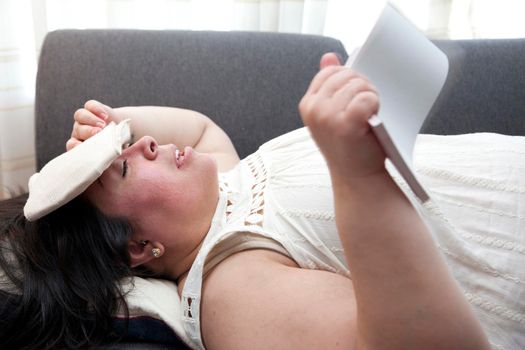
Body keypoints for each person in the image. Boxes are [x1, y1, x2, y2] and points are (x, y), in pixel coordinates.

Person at [0, 52, 515, 350]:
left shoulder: (227, 183)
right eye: (126, 166)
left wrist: (112, 122)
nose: (146, 141)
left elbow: (200, 128)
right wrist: (358, 175)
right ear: (140, 248)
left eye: (128, 143)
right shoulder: (230, 287)